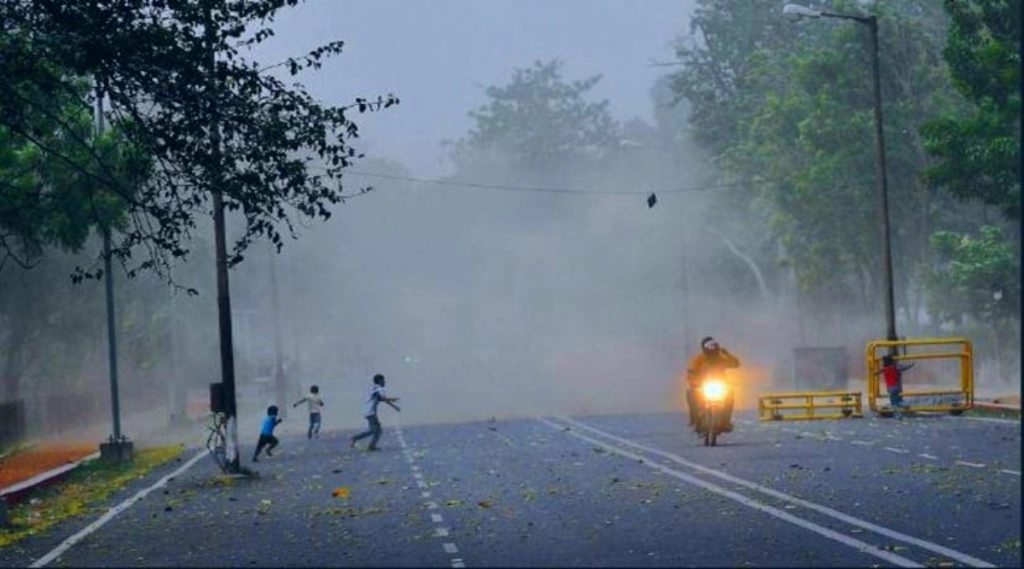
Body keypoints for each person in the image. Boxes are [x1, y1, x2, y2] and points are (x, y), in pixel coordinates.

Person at [686, 336, 741, 433]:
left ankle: (725, 421)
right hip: (702, 386)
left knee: (730, 396)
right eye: (709, 347)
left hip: (721, 385)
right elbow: (691, 371)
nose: (712, 350)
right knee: (690, 394)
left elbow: (736, 364)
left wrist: (728, 355)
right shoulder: (699, 359)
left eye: (714, 347)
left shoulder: (722, 358)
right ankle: (695, 419)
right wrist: (693, 382)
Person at [350, 373, 400, 451]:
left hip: (368, 411)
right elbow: (382, 398)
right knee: (374, 430)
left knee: (377, 430)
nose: (384, 382)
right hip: (370, 412)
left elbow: (381, 399)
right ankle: (356, 438)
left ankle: (371, 445)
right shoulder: (380, 389)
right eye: (383, 380)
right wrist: (393, 400)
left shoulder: (374, 388)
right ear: (380, 381)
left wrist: (394, 406)